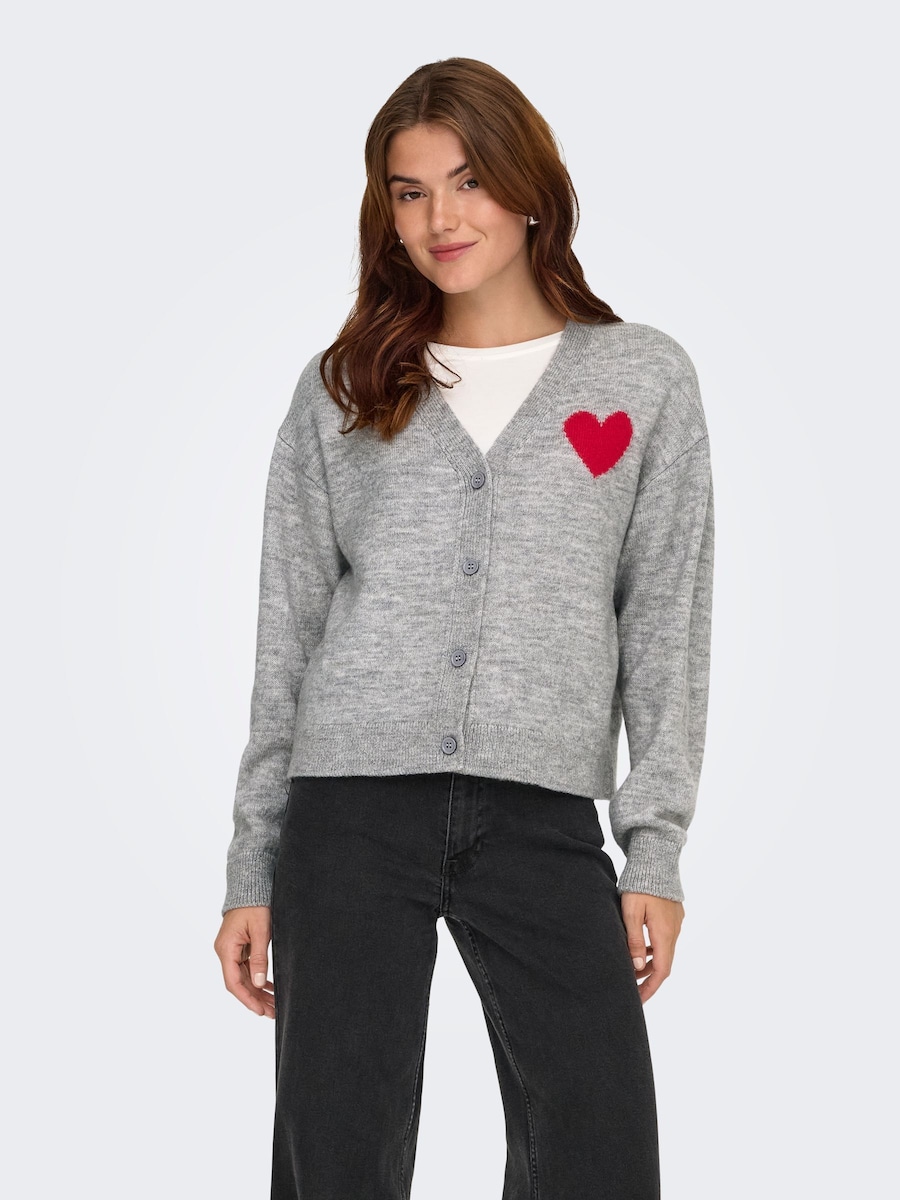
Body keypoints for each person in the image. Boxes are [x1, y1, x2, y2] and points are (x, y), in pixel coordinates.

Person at [213, 56, 714, 1200]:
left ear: (531, 189)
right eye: (410, 191)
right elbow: (286, 639)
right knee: (337, 1160)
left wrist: (654, 848)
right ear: (385, 212)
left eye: (470, 180)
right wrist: (251, 866)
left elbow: (666, 623)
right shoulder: (343, 387)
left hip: (543, 818)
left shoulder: (641, 380)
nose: (442, 217)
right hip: (347, 812)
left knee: (598, 1150)